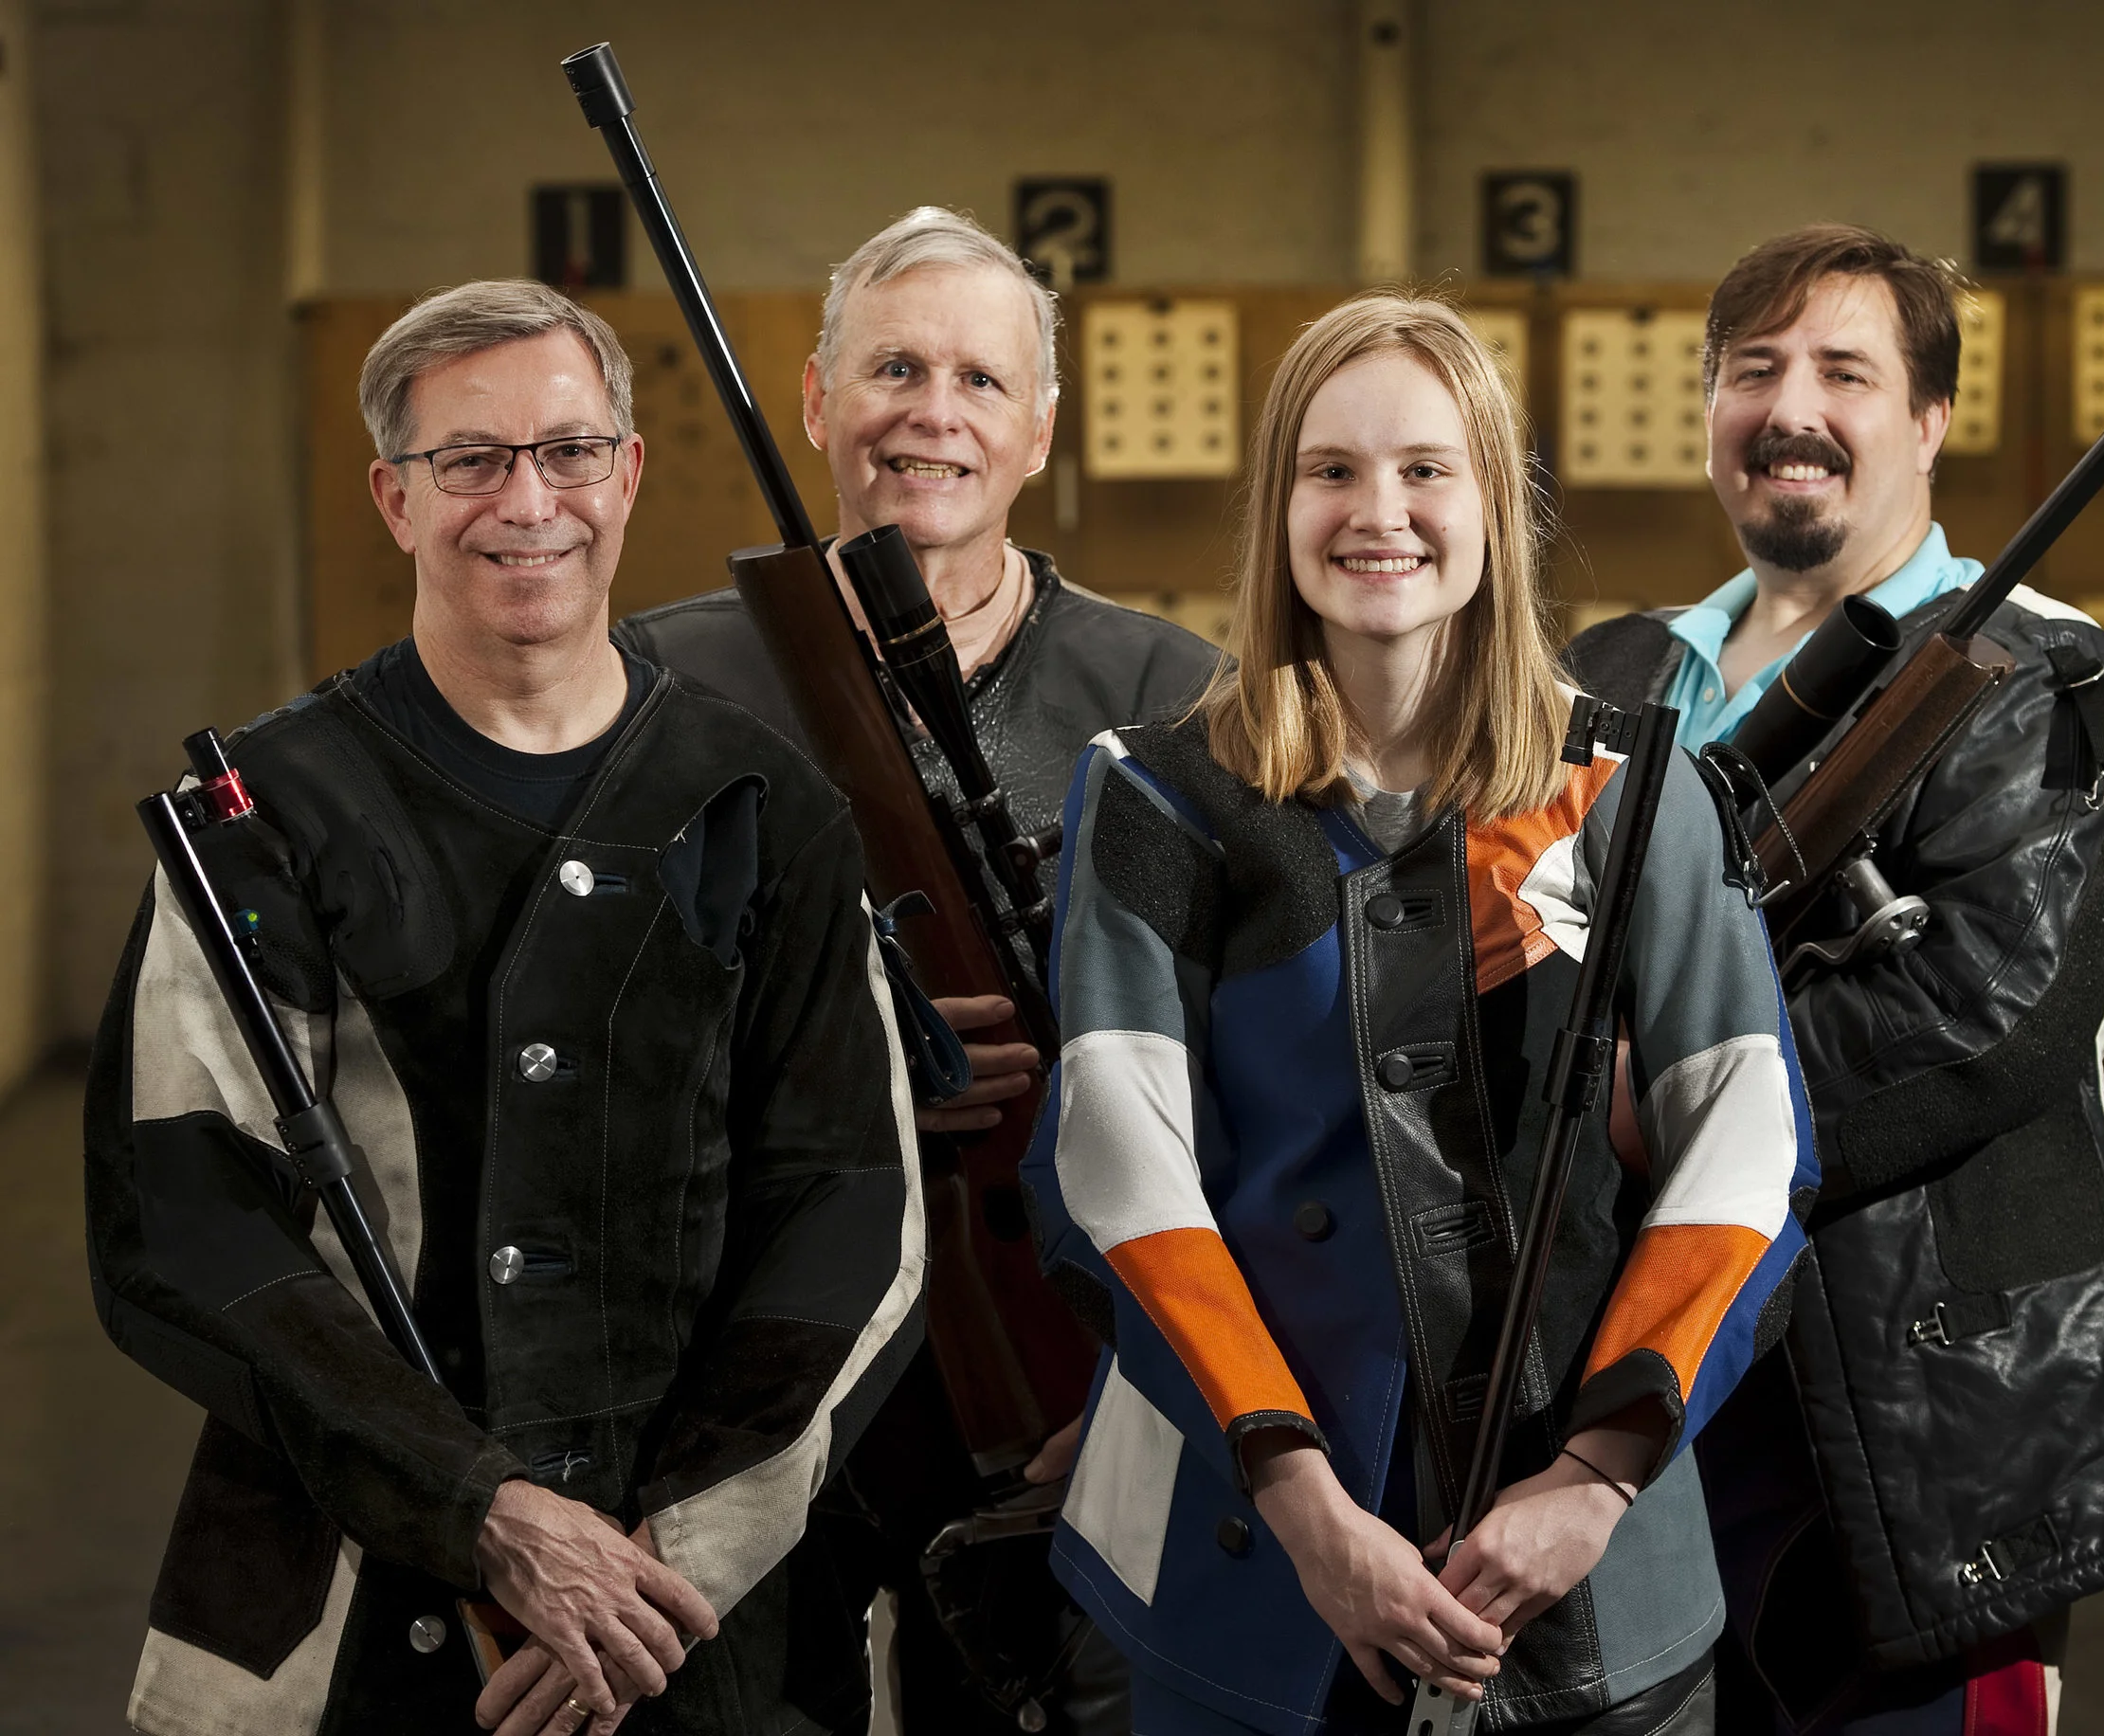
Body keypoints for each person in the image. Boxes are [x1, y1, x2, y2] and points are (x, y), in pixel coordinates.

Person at [84, 280, 925, 1736]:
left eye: (569, 452)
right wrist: (481, 1516)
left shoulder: (765, 805)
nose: (526, 500)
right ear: (394, 499)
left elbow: (854, 1204)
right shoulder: (266, 820)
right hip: (354, 1604)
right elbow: (185, 1223)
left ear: (629, 475)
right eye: (469, 461)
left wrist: (662, 1563)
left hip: (690, 1625)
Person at [1020, 292, 1818, 1736]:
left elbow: (1746, 1149)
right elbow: (1116, 1169)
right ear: (1279, 508)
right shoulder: (1150, 795)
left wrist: (1596, 1477)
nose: (1377, 511)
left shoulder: (1631, 789)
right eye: (1332, 470)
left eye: (1425, 469)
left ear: (1495, 506)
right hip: (1242, 1554)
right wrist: (1304, 1503)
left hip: (1582, 1565)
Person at [1564, 225, 2104, 1736]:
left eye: (1845, 371)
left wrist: (1641, 1103)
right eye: (1753, 370)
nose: (1791, 408)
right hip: (1629, 1382)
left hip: (1920, 1418)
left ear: (1928, 422)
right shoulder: (1610, 668)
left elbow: (1985, 1022)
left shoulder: (2041, 672)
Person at [617, 207, 1214, 1734]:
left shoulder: (1170, 698)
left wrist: (1165, 1389)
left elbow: (1248, 1069)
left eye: (979, 379)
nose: (931, 413)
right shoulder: (653, 685)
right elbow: (587, 1040)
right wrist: (843, 1064)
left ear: (1039, 431)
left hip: (1055, 1384)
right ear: (816, 403)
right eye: (891, 367)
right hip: (739, 1396)